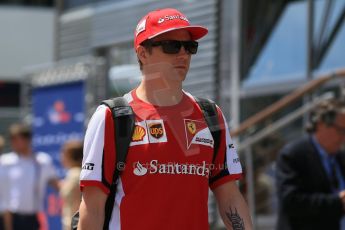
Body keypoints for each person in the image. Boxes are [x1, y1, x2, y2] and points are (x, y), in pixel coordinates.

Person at [78, 8, 252, 230]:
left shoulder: (210, 114)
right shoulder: (112, 116)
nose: (183, 54)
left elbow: (229, 196)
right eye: (171, 46)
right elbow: (92, 209)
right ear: (142, 53)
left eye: (190, 47)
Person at [276, 99, 345, 230]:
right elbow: (291, 201)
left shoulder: (340, 158)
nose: (344, 137)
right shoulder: (293, 155)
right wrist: (337, 202)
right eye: (341, 130)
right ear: (321, 124)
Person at [0, 123, 59, 230]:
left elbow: (57, 185)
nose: (14, 143)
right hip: (8, 216)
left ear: (27, 140)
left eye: (17, 139)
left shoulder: (42, 161)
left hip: (32, 218)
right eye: (12, 139)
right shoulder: (4, 161)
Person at [60, 140, 83, 230]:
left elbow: (67, 194)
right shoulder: (78, 173)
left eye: (64, 154)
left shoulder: (74, 174)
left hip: (74, 224)